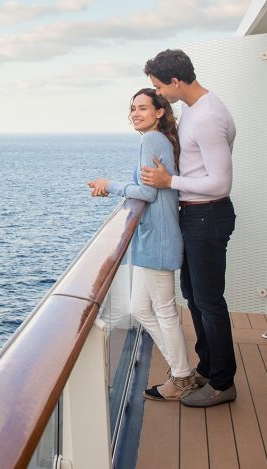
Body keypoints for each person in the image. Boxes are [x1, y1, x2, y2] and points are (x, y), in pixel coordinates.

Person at [139, 49, 237, 408]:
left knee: (209, 302)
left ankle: (224, 383)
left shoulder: (208, 116)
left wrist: (169, 181)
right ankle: (207, 370)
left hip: (208, 215)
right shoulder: (197, 110)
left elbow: (220, 183)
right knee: (195, 298)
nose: (158, 93)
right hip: (195, 216)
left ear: (175, 82)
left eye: (159, 87)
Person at [87, 88, 195, 401]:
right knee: (139, 308)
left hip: (158, 239)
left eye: (143, 108)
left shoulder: (152, 139)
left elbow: (147, 193)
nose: (135, 113)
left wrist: (110, 186)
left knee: (163, 310)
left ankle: (182, 376)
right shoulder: (158, 139)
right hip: (155, 238)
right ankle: (181, 369)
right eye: (133, 108)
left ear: (160, 111)